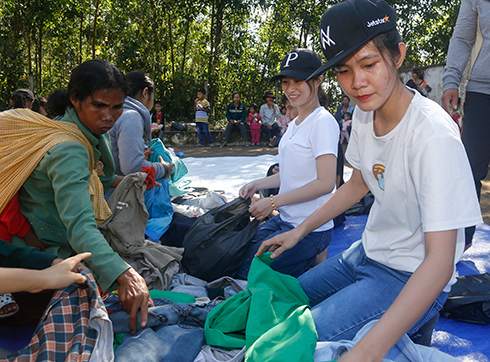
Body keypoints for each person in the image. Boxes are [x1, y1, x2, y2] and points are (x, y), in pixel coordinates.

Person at [256, 1, 482, 361]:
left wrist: (368, 350)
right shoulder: (365, 113)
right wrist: (300, 232)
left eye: (369, 64)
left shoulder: (433, 136)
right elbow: (357, 184)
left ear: (397, 56)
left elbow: (439, 264)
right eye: (344, 71)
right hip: (363, 255)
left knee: (289, 343)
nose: (357, 83)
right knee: (280, 299)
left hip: (408, 274)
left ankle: (411, 325)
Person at [1, 59, 152, 334]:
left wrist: (136, 180)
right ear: (76, 100)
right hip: (39, 252)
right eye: (99, 105)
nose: (109, 116)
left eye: (117, 106)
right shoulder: (69, 149)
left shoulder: (78, 130)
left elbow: (103, 176)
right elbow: (80, 227)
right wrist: (126, 275)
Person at [235, 48, 339, 279]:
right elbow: (290, 174)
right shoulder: (294, 124)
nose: (290, 88)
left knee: (251, 275)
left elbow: (325, 183)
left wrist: (272, 201)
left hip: (310, 228)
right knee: (238, 256)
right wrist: (258, 184)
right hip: (285, 219)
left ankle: (312, 261)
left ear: (319, 79)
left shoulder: (322, 122)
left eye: (298, 80)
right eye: (285, 81)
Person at [442, 0, 490, 250]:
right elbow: (462, 38)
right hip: (483, 92)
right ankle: (460, 244)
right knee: (469, 170)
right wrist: (451, 80)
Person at [109, 71, 173, 187]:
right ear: (145, 93)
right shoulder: (131, 116)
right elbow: (133, 168)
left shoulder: (117, 111)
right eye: (153, 97)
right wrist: (164, 169)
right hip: (115, 198)